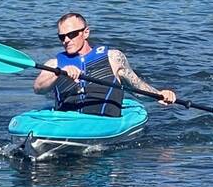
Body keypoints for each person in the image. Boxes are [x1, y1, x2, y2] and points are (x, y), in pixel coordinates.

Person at [32, 12, 176, 116]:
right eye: (62, 37)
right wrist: (59, 72)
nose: (66, 40)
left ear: (86, 32)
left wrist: (159, 94)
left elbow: (135, 85)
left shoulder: (113, 57)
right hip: (67, 123)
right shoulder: (55, 63)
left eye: (72, 34)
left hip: (104, 123)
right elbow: (38, 88)